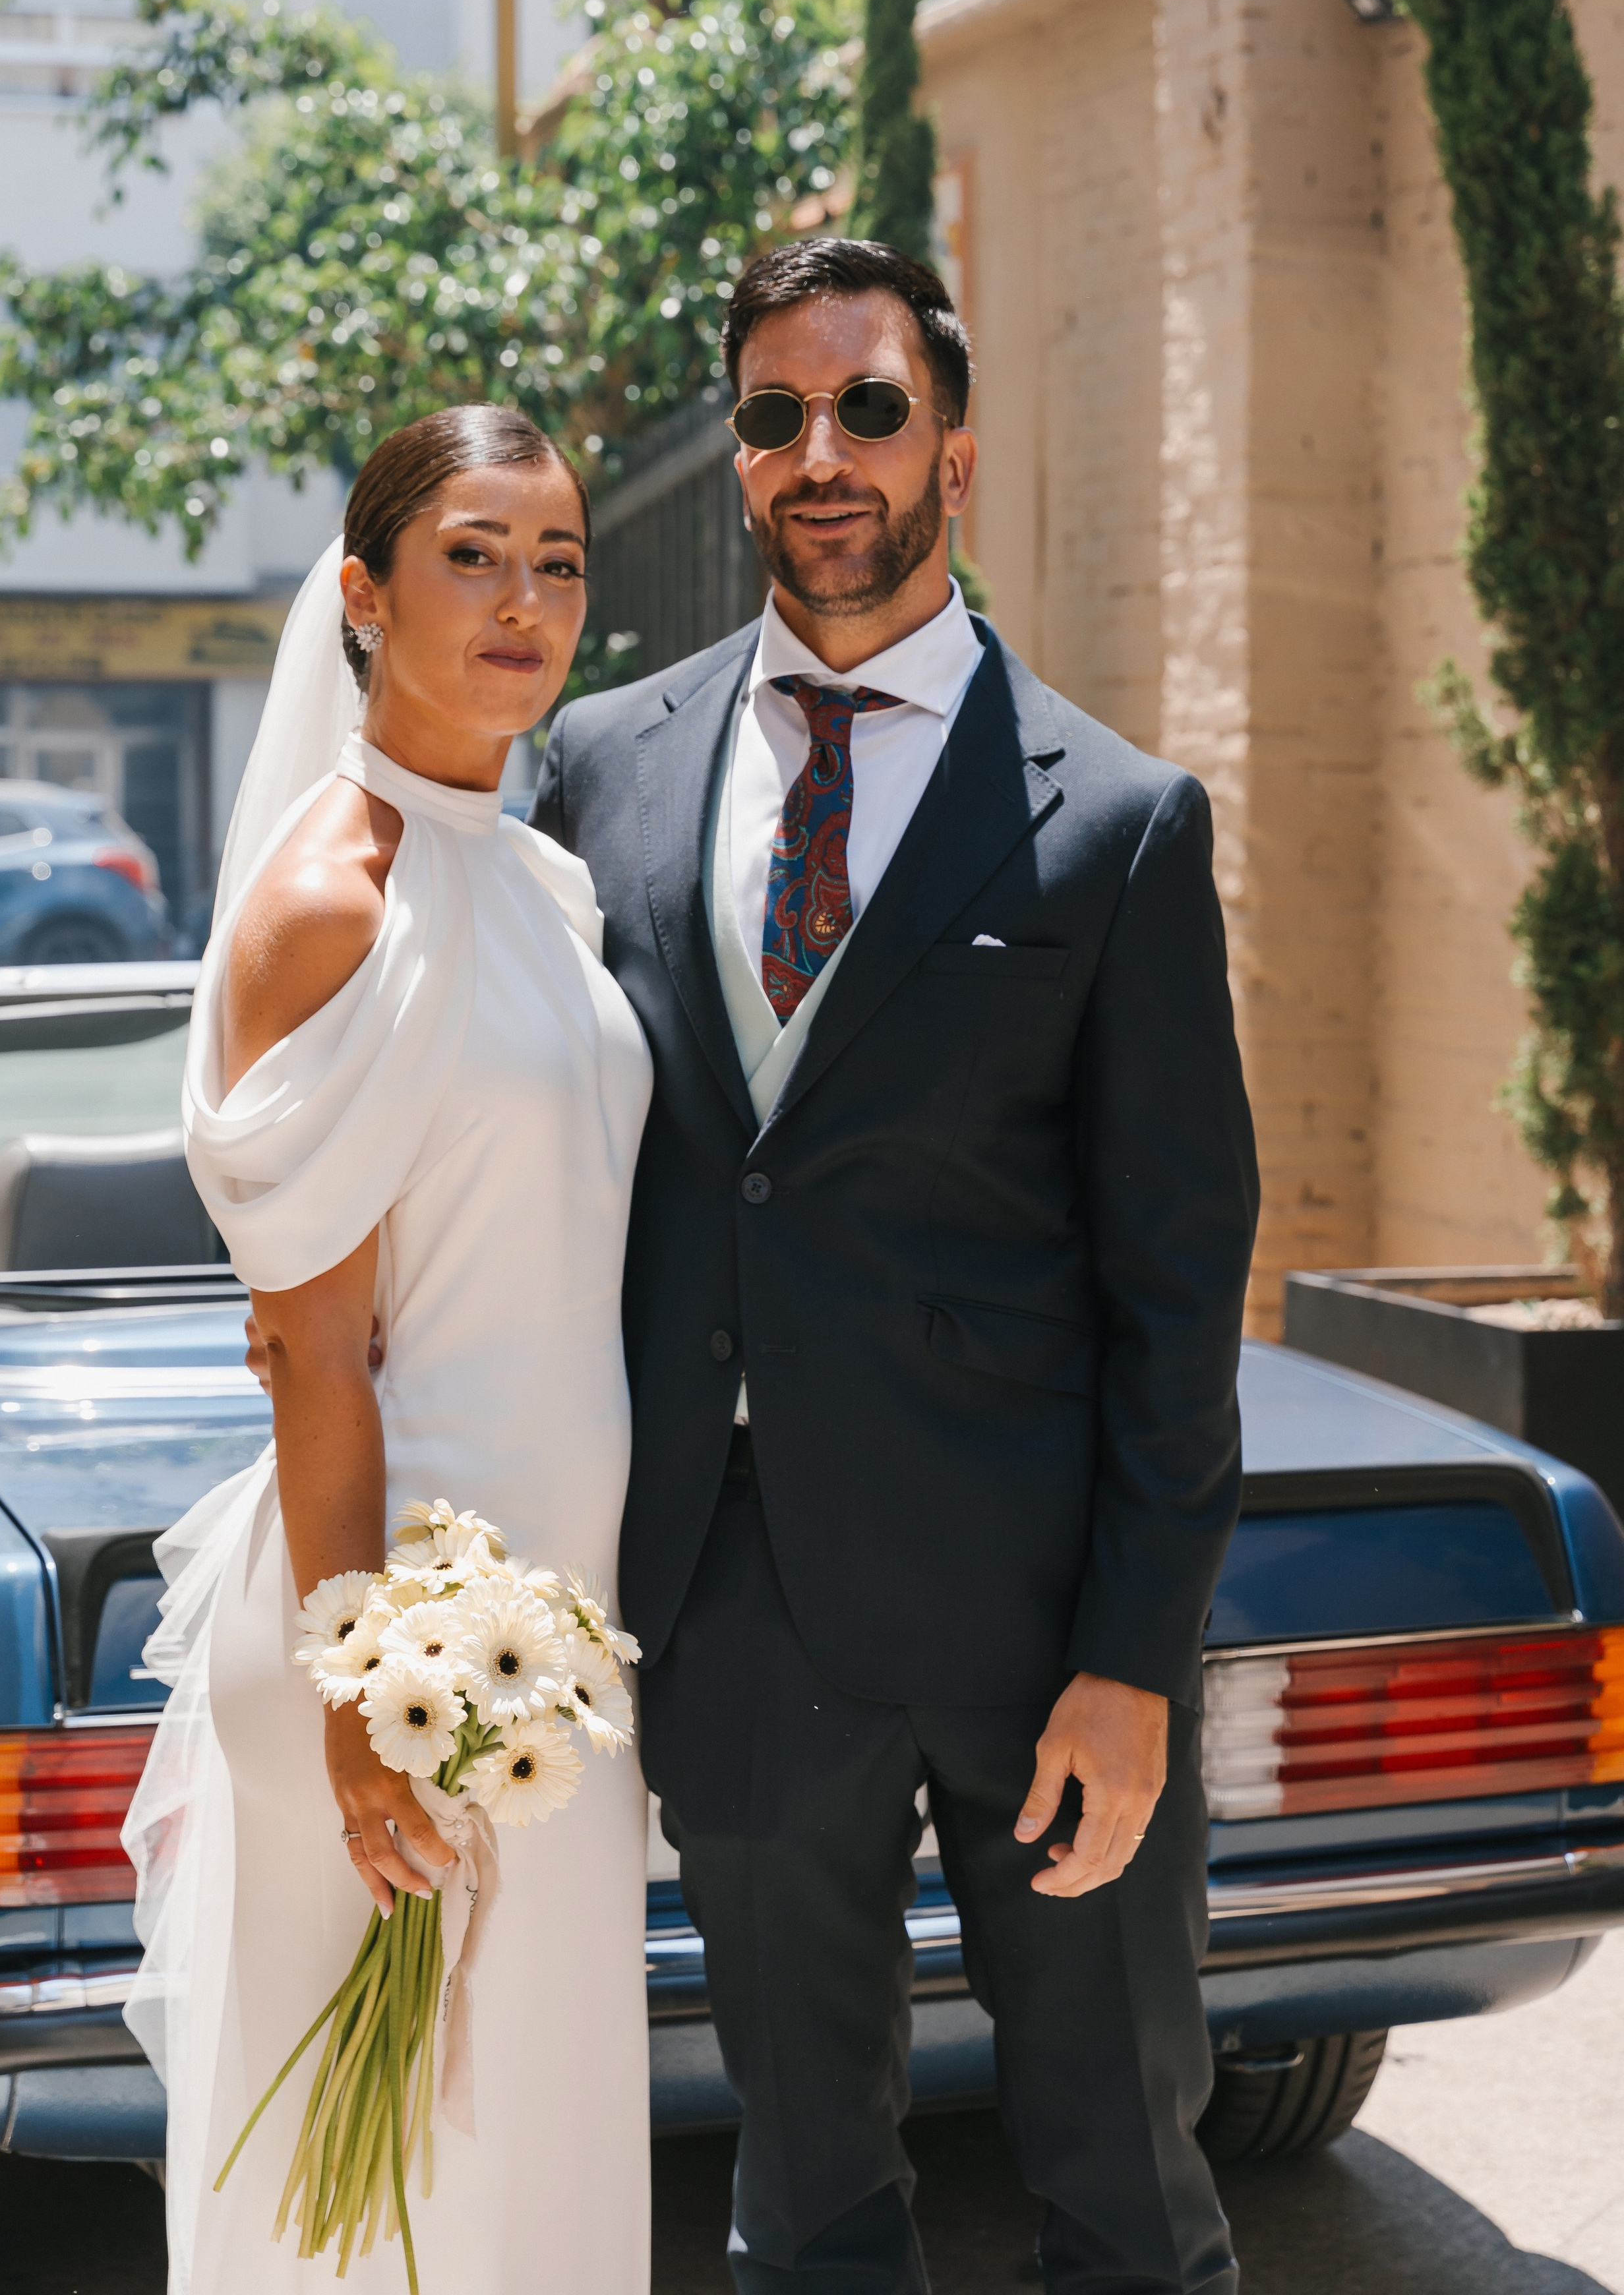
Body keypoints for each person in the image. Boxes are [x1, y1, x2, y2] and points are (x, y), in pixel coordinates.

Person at [529, 240, 1259, 2294]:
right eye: (774, 416)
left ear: (956, 449)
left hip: (1044, 1626)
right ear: (739, 460)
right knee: (807, 2191)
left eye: (867, 409)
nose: (817, 453)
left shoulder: (1116, 823)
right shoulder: (602, 770)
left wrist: (1135, 1658)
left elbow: (1178, 1282)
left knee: (1122, 2177)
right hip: (738, 1603)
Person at [123, 406, 654, 2294]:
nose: (526, 602)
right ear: (362, 594)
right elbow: (313, 1361)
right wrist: (363, 1714)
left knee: (534, 2164)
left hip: (555, 1644)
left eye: (561, 560)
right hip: (402, 1645)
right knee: (377, 2208)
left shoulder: (544, 885)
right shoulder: (324, 908)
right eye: (474, 556)